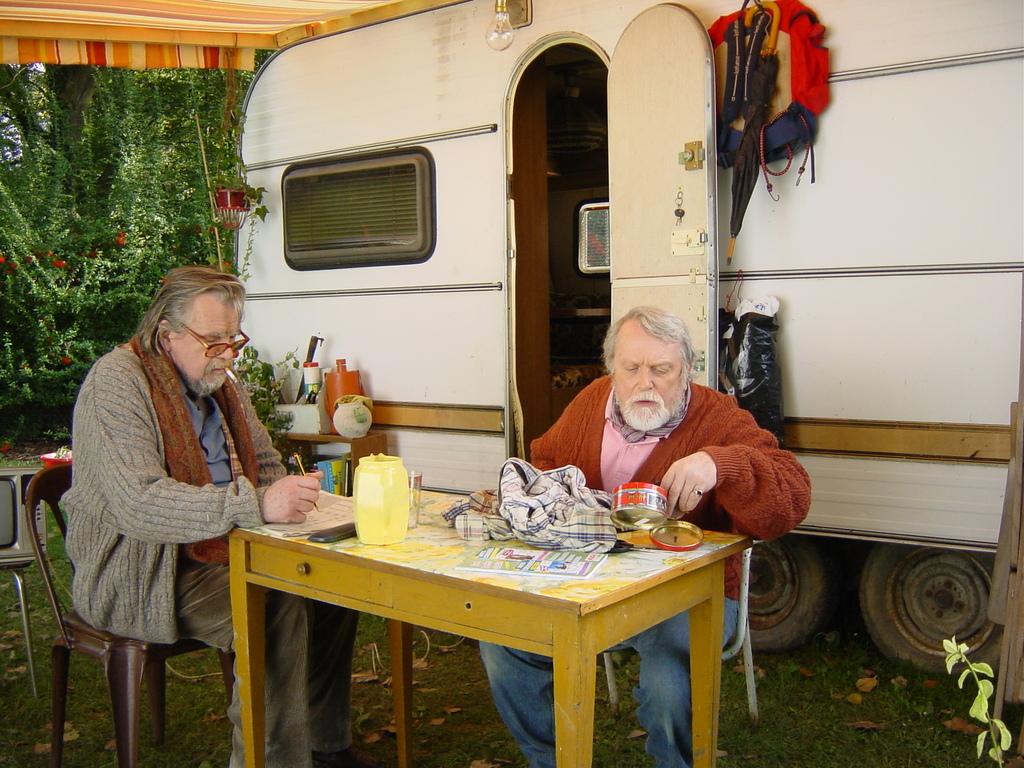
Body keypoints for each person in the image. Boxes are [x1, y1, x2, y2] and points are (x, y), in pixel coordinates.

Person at [64, 266, 376, 768]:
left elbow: (266, 463)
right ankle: (271, 761)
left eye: (234, 338)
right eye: (214, 340)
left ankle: (324, 745)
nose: (229, 353)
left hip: (218, 545)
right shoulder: (116, 383)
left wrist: (288, 493)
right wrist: (255, 504)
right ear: (167, 334)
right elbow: (139, 504)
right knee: (272, 599)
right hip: (140, 570)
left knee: (332, 582)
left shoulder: (221, 382)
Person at [479, 305, 811, 768]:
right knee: (501, 634)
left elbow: (791, 497)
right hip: (594, 581)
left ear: (688, 370)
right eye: (631, 368)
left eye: (662, 369)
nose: (645, 383)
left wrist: (720, 465)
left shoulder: (719, 418)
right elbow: (546, 461)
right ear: (611, 368)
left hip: (692, 593)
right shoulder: (593, 401)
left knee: (667, 682)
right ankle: (547, 758)